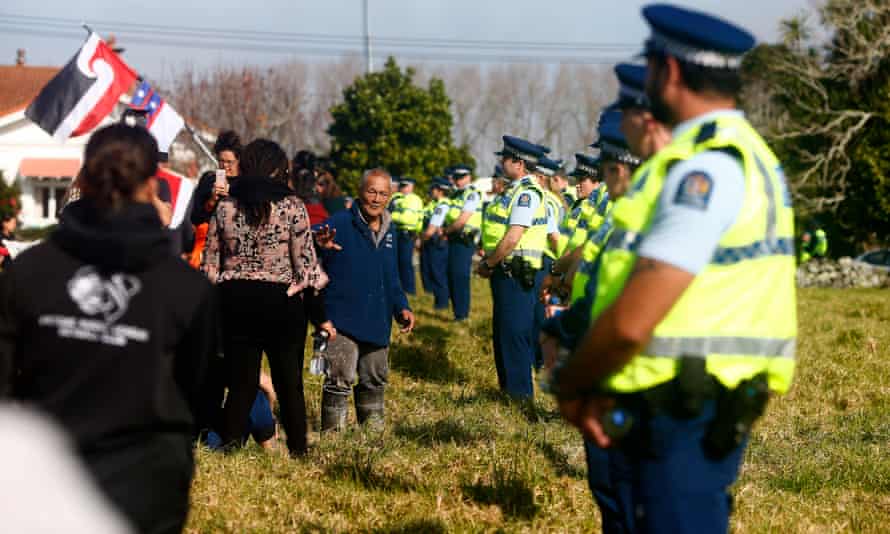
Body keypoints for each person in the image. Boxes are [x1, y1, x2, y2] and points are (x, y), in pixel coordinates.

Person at [548, 5, 797, 532]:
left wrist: (571, 383)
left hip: (683, 412)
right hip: (693, 403)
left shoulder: (705, 169)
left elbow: (637, 316)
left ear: (671, 72)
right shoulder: (744, 155)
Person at [0, 123, 218, 533]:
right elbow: (198, 392)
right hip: (141, 485)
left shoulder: (28, 272)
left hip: (45, 482)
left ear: (84, 178)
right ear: (153, 184)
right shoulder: (188, 288)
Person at [201, 138, 334, 457]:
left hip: (235, 303)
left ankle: (231, 447)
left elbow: (209, 264)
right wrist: (320, 316)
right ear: (278, 169)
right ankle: (299, 449)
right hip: (282, 305)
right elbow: (306, 269)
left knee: (241, 384)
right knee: (289, 384)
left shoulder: (226, 206)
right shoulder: (292, 207)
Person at [316, 168, 416, 431]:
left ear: (390, 197)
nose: (376, 198)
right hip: (341, 321)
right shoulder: (338, 223)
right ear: (360, 192)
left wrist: (402, 307)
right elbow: (309, 244)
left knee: (375, 377)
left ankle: (372, 439)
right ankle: (333, 439)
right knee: (339, 376)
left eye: (383, 193)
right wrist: (320, 247)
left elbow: (391, 277)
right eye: (371, 191)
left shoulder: (390, 230)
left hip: (377, 321)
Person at [477, 136, 548, 399]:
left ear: (518, 163)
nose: (501, 162)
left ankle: (519, 398)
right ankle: (508, 392)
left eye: (505, 158)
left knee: (515, 335)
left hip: (515, 274)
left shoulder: (526, 194)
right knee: (505, 334)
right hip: (506, 273)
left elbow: (513, 237)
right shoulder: (513, 190)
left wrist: (488, 263)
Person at [188, 130, 242, 268]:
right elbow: (195, 217)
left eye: (230, 162)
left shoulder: (245, 184)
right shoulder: (208, 180)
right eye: (221, 161)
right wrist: (212, 200)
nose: (225, 166)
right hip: (207, 251)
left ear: (239, 160)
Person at [441, 164, 482, 322]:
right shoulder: (456, 195)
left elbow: (462, 219)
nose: (458, 181)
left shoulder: (471, 194)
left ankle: (462, 315)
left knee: (460, 276)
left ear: (469, 177)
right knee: (452, 275)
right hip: (454, 238)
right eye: (456, 178)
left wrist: (446, 231)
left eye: (461, 178)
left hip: (464, 239)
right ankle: (458, 313)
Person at [420, 178, 452, 310]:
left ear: (439, 190)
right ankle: (438, 300)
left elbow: (433, 227)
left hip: (437, 243)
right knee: (431, 272)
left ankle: (442, 304)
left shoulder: (443, 204)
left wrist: (421, 240)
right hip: (431, 242)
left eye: (432, 189)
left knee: (438, 273)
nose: (430, 192)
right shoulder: (434, 204)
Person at [388, 177, 424, 295]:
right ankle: (399, 289)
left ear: (412, 186)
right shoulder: (396, 197)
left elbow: (406, 219)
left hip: (407, 234)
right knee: (396, 262)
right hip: (396, 232)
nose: (403, 188)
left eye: (405, 186)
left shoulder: (414, 199)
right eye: (401, 186)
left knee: (405, 262)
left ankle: (409, 290)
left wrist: (392, 216)